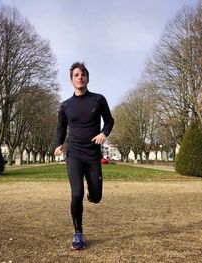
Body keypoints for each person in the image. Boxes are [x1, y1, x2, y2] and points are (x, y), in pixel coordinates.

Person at [54, 62, 114, 250]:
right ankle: (78, 232)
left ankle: (92, 193)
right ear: (71, 80)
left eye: (83, 74)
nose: (80, 77)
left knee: (96, 197)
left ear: (87, 78)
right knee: (76, 194)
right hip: (74, 154)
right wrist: (58, 144)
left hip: (92, 154)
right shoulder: (65, 106)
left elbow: (109, 120)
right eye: (76, 75)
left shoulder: (98, 100)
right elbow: (61, 127)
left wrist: (104, 133)